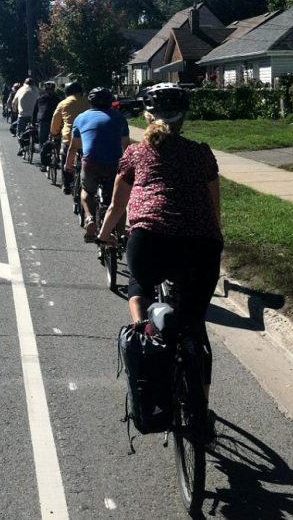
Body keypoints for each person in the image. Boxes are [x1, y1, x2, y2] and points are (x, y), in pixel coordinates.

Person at [97, 82, 222, 395]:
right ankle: (200, 407)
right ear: (184, 117)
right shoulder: (202, 154)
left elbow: (116, 206)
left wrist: (102, 234)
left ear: (147, 114)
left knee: (139, 284)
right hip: (201, 245)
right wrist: (212, 236)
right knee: (194, 326)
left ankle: (144, 335)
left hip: (150, 239)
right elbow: (214, 208)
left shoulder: (134, 155)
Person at [64, 87, 129, 241]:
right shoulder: (119, 118)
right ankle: (120, 234)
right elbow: (126, 147)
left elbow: (74, 147)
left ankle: (89, 218)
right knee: (118, 200)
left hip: (91, 162)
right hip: (114, 163)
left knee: (86, 191)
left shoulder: (81, 118)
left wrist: (68, 165)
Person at [50, 82, 88, 193]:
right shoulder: (87, 102)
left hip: (70, 137)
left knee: (65, 158)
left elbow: (55, 121)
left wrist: (54, 132)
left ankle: (66, 185)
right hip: (86, 138)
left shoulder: (63, 103)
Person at [31, 81, 61, 171]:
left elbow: (35, 112)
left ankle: (44, 164)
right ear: (53, 89)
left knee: (43, 142)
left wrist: (33, 123)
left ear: (45, 89)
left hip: (43, 122)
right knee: (57, 140)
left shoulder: (40, 99)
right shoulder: (58, 99)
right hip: (55, 122)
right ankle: (56, 158)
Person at [11, 78, 40, 155]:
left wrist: (14, 111)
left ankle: (21, 147)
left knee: (20, 132)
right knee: (35, 130)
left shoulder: (21, 89)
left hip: (22, 115)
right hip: (34, 116)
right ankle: (33, 143)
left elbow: (14, 103)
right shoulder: (36, 90)